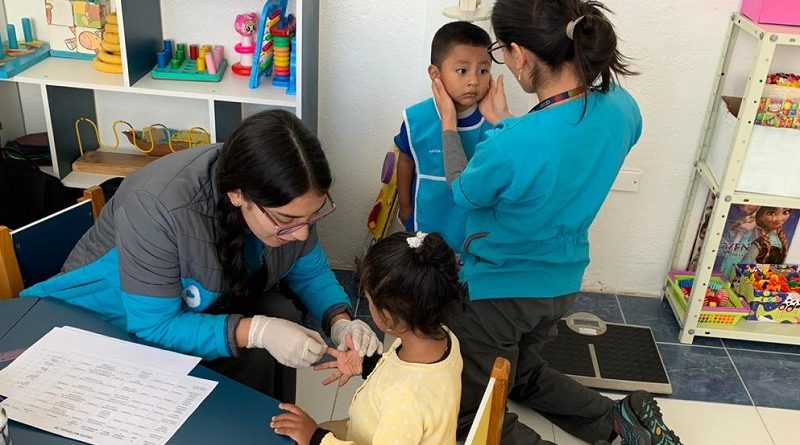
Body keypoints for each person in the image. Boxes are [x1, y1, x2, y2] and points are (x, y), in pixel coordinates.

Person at [431, 0, 681, 444]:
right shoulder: (622, 107)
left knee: (473, 414)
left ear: (521, 55)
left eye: (497, 54)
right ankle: (619, 422)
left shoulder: (512, 145)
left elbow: (462, 190)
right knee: (522, 371)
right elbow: (561, 156)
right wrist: (506, 123)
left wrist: (450, 123)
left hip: (501, 293)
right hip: (562, 285)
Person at [21, 110, 382, 400]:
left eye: (313, 215)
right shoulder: (158, 207)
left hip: (191, 306)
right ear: (239, 195)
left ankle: (271, 429)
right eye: (288, 220)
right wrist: (256, 330)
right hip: (101, 323)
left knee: (279, 318)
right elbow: (154, 325)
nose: (302, 232)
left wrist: (339, 320)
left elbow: (308, 266)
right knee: (260, 344)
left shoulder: (279, 190)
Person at [270, 231, 466, 445]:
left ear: (388, 318)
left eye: (370, 300)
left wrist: (315, 438)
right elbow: (404, 374)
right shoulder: (441, 337)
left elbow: (405, 393)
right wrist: (369, 364)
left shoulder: (404, 397)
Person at [395, 21, 493, 251]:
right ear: (435, 74)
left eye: (483, 70)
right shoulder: (416, 120)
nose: (474, 81)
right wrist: (405, 205)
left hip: (473, 227)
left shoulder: (494, 122)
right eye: (462, 70)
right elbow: (406, 160)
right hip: (427, 220)